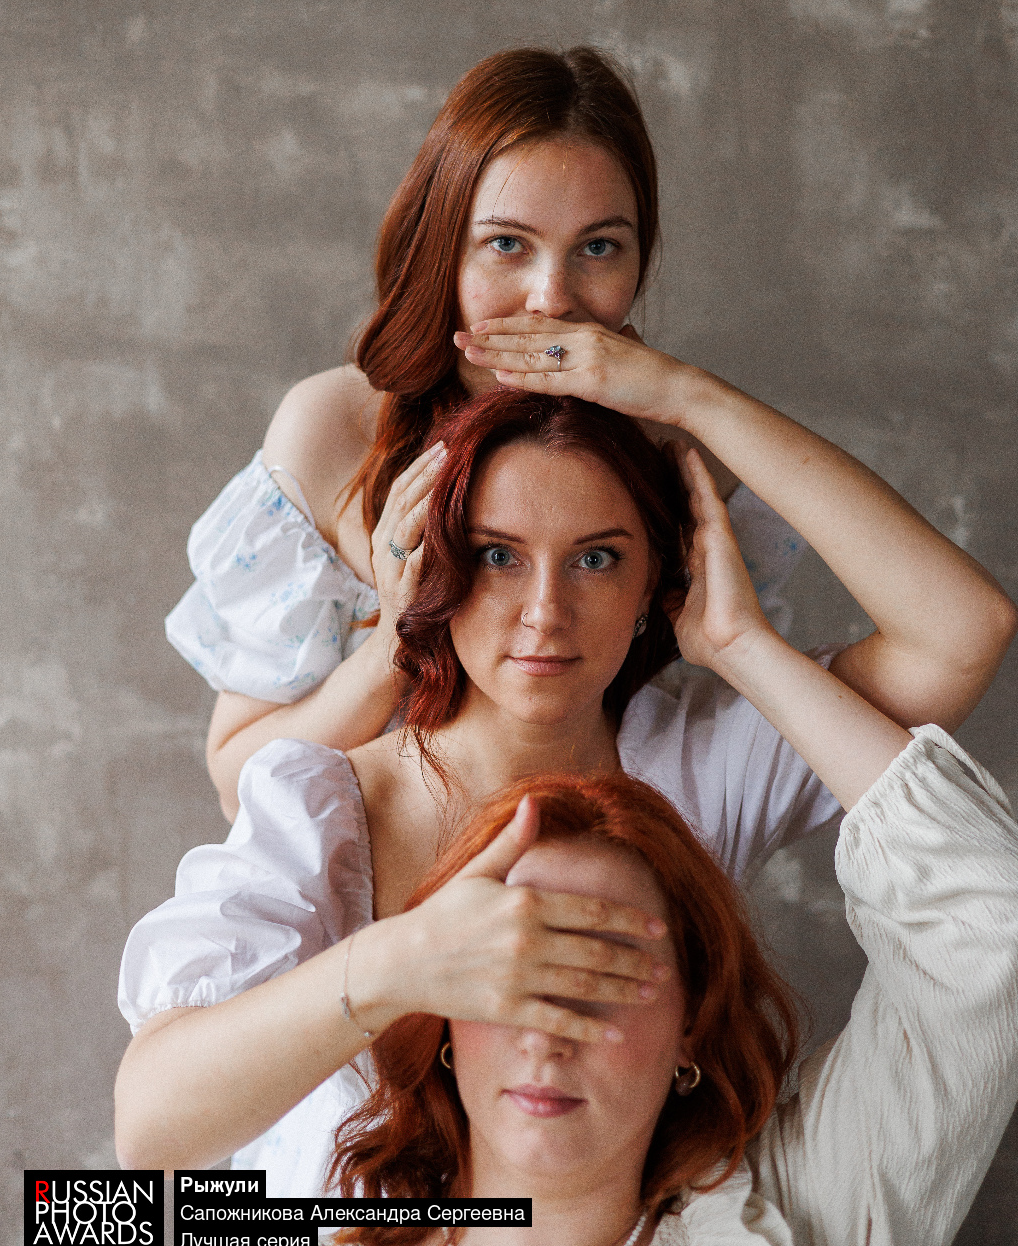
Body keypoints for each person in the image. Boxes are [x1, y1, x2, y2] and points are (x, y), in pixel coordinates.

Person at [116, 390, 1013, 1220]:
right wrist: (404, 965)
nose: (544, 612)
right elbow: (143, 1152)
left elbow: (965, 636)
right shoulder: (319, 804)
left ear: (654, 582)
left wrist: (737, 630)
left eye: (595, 558)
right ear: (434, 566)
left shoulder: (703, 758)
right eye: (497, 556)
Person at [163, 46, 1016, 820]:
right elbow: (242, 786)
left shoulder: (676, 455)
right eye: (507, 244)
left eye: (599, 248)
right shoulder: (338, 431)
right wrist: (396, 637)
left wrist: (693, 398)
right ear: (442, 248)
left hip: (615, 849)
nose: (552, 299)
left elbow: (957, 636)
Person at [242, 727, 1018, 1246]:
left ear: (691, 1027)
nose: (547, 1038)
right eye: (514, 972)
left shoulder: (805, 1219)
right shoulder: (292, 1233)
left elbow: (986, 922)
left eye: (604, 979)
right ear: (443, 1016)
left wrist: (741, 647)